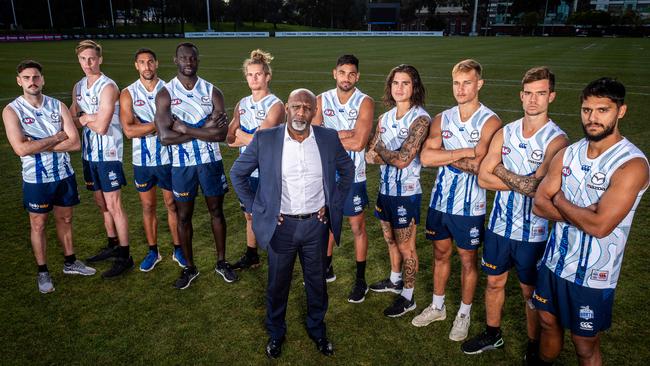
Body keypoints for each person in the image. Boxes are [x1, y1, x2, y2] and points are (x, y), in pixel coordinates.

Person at [531, 77, 648, 366]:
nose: (592, 118)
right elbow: (538, 204)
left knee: (584, 344)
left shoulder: (631, 164)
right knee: (547, 322)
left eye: (602, 110)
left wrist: (559, 199)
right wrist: (584, 213)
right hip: (554, 262)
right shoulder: (568, 153)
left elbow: (600, 227)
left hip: (593, 276)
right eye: (586, 110)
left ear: (620, 111)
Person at [230, 89, 354, 359]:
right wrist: (258, 209)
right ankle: (276, 333)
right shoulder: (266, 138)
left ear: (313, 112)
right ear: (286, 108)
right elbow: (237, 173)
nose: (301, 112)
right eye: (296, 106)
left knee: (317, 282)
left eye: (307, 108)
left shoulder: (328, 138)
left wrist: (332, 203)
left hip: (316, 226)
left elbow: (348, 171)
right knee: (277, 283)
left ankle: (317, 329)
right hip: (281, 227)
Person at [461, 67, 568, 358]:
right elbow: (483, 178)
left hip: (534, 232)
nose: (533, 100)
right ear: (521, 96)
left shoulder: (557, 141)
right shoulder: (505, 131)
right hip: (498, 227)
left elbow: (538, 190)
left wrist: (500, 170)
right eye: (529, 93)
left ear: (551, 97)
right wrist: (518, 178)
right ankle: (492, 334)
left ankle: (534, 346)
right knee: (494, 282)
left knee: (529, 293)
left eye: (541, 93)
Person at [417, 59, 501, 341]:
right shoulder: (443, 118)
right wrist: (464, 151)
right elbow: (427, 157)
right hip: (440, 202)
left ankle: (463, 313)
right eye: (457, 83)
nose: (461, 89)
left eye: (467, 82)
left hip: (470, 206)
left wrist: (449, 154)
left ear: (479, 84)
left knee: (468, 260)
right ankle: (438, 306)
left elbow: (481, 165)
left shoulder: (490, 121)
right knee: (440, 254)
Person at [2, 60, 96, 293]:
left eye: (35, 77)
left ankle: (70, 262)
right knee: (38, 224)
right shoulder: (12, 110)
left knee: (65, 220)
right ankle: (43, 271)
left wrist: (36, 143)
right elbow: (20, 149)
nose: (32, 82)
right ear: (19, 81)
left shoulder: (57, 106)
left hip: (63, 175)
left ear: (42, 80)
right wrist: (55, 138)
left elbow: (74, 143)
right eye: (26, 78)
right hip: (36, 179)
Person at [155, 42, 235, 289]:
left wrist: (186, 128)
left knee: (217, 212)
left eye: (192, 58)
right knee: (183, 216)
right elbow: (165, 138)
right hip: (182, 165)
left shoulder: (213, 91)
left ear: (197, 60)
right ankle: (190, 268)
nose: (188, 62)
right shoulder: (166, 93)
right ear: (175, 60)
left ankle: (221, 262)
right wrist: (204, 129)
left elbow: (221, 135)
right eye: (183, 58)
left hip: (210, 162)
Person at [366, 64, 431, 317]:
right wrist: (387, 153)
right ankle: (395, 281)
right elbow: (369, 157)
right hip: (385, 190)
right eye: (395, 83)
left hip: (407, 192)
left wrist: (383, 151)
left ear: (414, 87)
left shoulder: (421, 119)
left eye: (405, 83)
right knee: (390, 239)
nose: (399, 88)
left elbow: (404, 160)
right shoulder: (385, 118)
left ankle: (409, 295)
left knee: (407, 247)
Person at [312, 54, 374, 303]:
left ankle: (361, 280)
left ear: (357, 76)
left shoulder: (365, 102)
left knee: (357, 226)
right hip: (326, 175)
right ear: (334, 73)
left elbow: (359, 143)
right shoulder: (320, 99)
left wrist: (330, 136)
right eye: (342, 73)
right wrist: (343, 134)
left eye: (351, 74)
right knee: (325, 222)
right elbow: (313, 138)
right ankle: (326, 268)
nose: (346, 78)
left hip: (353, 175)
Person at [70, 40, 132, 279]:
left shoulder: (108, 87)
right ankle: (112, 244)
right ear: (79, 60)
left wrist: (84, 118)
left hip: (108, 154)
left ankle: (125, 255)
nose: (88, 63)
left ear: (100, 59)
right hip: (89, 154)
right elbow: (72, 119)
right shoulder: (78, 86)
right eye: (83, 59)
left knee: (114, 204)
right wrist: (86, 118)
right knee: (101, 204)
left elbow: (103, 125)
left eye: (92, 58)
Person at [119, 48, 184, 272]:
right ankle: (153, 251)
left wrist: (143, 125)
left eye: (150, 62)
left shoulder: (169, 89)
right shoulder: (128, 93)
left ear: (156, 64)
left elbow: (175, 124)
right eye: (142, 63)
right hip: (142, 162)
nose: (146, 67)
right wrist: (159, 124)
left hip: (168, 159)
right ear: (136, 65)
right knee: (148, 206)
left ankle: (178, 249)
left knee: (171, 205)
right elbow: (128, 130)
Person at [227, 49, 284, 271]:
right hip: (246, 172)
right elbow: (230, 139)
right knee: (249, 215)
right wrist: (245, 137)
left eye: (258, 74)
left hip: (267, 174)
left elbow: (261, 143)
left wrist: (243, 136)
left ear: (267, 76)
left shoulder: (275, 105)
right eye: (250, 75)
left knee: (272, 218)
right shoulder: (242, 103)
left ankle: (278, 259)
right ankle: (252, 255)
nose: (254, 78)